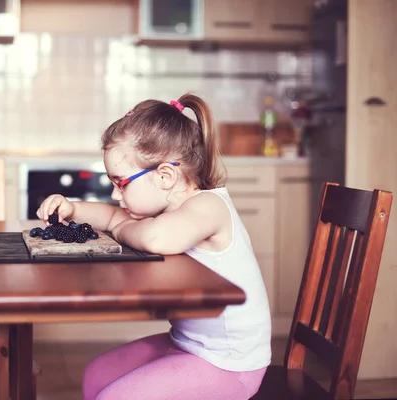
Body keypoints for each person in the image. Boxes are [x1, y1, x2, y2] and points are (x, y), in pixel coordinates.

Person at [36, 93, 271, 400]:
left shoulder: (209, 206)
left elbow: (154, 238)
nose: (116, 195)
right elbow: (112, 216)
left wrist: (120, 228)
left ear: (165, 176)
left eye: (121, 183)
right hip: (187, 343)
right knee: (96, 375)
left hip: (229, 364)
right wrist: (72, 208)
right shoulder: (167, 205)